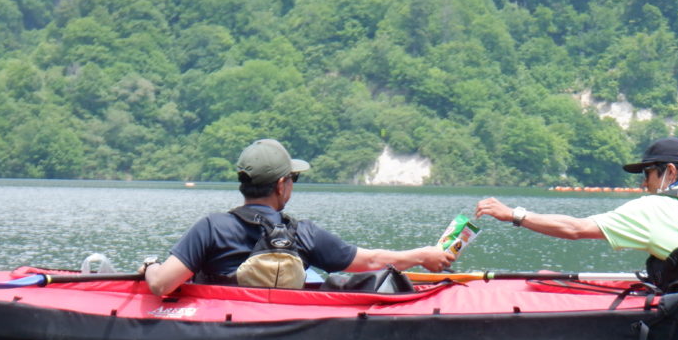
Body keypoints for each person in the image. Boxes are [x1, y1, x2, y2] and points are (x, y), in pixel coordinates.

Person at [474, 137, 678, 297]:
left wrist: (514, 214)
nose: (644, 183)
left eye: (647, 174)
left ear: (669, 172)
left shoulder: (651, 208)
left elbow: (575, 229)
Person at [142, 138, 455, 296]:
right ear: (281, 186)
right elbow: (372, 261)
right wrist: (422, 255)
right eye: (293, 179)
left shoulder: (211, 228)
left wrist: (150, 266)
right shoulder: (303, 233)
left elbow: (161, 285)